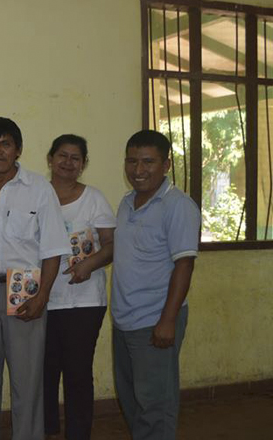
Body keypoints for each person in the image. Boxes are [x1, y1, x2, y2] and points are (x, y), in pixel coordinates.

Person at [0, 117, 72, 440]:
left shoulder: (39, 189)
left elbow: (52, 249)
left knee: (28, 380)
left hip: (26, 293)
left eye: (5, 144)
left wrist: (42, 296)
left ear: (18, 149)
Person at [112, 130, 200, 440]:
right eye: (132, 161)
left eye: (148, 162)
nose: (138, 170)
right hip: (124, 320)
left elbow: (184, 264)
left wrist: (167, 320)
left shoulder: (178, 206)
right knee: (132, 399)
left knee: (155, 405)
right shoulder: (127, 202)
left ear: (166, 165)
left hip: (155, 321)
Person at [43, 135, 116, 440]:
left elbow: (111, 245)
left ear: (83, 164)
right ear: (50, 159)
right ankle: (47, 430)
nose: (68, 162)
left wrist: (89, 265)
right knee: (44, 372)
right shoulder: (37, 195)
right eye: (62, 155)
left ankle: (78, 433)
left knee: (77, 372)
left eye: (76, 158)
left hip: (84, 302)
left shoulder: (93, 198)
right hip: (42, 299)